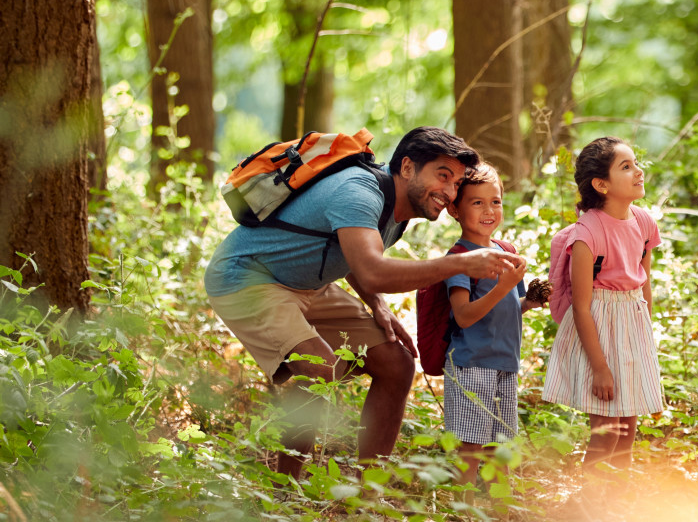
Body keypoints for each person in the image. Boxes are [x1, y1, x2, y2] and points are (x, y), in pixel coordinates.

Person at [205, 126, 526, 477]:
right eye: (442, 176)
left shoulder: (400, 210)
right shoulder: (359, 193)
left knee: (397, 363)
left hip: (307, 284)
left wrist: (377, 305)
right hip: (247, 278)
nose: (449, 192)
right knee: (321, 367)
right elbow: (373, 271)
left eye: (456, 183)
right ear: (407, 167)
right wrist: (460, 263)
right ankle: (286, 487)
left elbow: (354, 257)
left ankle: (368, 490)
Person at [542, 137, 664, 471]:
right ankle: (590, 505)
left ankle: (616, 503)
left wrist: (645, 342)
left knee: (628, 431)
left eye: (635, 163)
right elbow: (582, 307)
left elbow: (644, 281)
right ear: (602, 184)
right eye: (626, 167)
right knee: (606, 432)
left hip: (632, 324)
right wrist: (599, 367)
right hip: (600, 327)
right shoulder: (587, 233)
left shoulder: (643, 222)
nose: (638, 171)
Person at [442, 163, 545, 482]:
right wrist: (502, 285)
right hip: (471, 364)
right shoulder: (459, 257)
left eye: (496, 201)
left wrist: (531, 301)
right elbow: (463, 314)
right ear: (454, 209)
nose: (489, 210)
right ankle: (465, 505)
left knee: (500, 445)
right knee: (471, 446)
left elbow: (511, 306)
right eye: (477, 202)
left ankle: (497, 511)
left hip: (505, 362)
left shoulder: (506, 252)